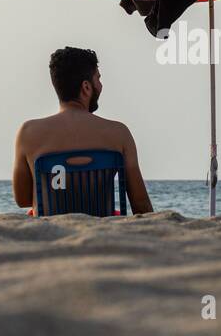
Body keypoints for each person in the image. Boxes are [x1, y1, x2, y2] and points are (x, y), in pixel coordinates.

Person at [12, 47, 154, 214]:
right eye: (98, 79)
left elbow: (22, 200)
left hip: (51, 230)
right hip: (103, 227)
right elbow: (140, 203)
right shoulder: (119, 133)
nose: (100, 85)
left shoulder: (28, 132)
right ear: (86, 87)